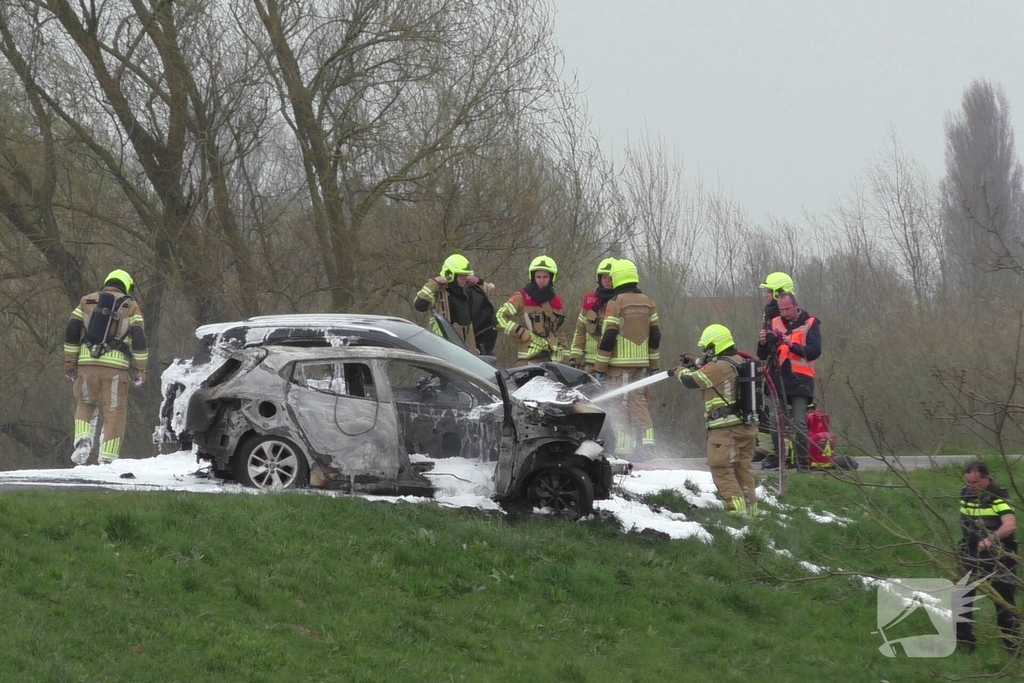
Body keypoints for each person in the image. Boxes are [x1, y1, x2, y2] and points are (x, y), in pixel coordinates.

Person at [63, 269, 148, 465]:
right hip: (116, 368)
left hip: (86, 364)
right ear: (127, 286)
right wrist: (140, 368)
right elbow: (140, 339)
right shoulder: (131, 305)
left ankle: (83, 440)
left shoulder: (87, 300)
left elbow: (72, 330)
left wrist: (70, 360)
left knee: (85, 403)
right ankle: (107, 459)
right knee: (114, 410)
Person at [671, 324, 757, 515]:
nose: (706, 352)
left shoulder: (719, 367)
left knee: (721, 468)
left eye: (707, 348)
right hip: (745, 427)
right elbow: (708, 371)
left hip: (725, 429)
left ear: (715, 346)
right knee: (742, 469)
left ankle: (736, 511)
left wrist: (679, 371)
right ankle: (751, 512)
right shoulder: (738, 360)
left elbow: (692, 381)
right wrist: (695, 361)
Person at [593, 259, 660, 456]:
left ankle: (624, 450)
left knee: (619, 407)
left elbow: (609, 335)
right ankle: (648, 444)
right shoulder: (648, 302)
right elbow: (656, 335)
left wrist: (600, 368)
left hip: (618, 366)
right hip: (641, 366)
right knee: (638, 403)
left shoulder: (615, 303)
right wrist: (653, 365)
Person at [957, 460, 1020, 654]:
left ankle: (1014, 646)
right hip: (970, 552)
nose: (971, 487)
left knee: (1003, 599)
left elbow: (1010, 525)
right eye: (968, 482)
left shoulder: (998, 494)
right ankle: (965, 644)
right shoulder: (965, 494)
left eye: (975, 483)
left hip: (1000, 554)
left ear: (986, 477)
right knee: (961, 596)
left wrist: (990, 539)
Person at [757, 292, 820, 471]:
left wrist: (791, 345)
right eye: (781, 309)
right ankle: (780, 460)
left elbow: (815, 351)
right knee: (776, 421)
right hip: (776, 378)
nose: (784, 312)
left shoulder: (811, 323)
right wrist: (762, 343)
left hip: (800, 380)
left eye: (787, 309)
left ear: (795, 305)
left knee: (798, 422)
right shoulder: (774, 322)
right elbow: (762, 355)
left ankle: (803, 464)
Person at [413, 253, 497, 355]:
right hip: (444, 346)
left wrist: (478, 281)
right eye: (462, 275)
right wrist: (434, 283)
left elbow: (489, 291)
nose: (465, 278)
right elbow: (419, 305)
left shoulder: (466, 290)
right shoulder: (439, 293)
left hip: (467, 347)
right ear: (450, 274)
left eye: (466, 275)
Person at [496, 255, 569, 366]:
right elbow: (499, 317)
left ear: (551, 278)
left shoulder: (556, 301)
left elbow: (559, 331)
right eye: (538, 277)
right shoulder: (522, 297)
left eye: (545, 277)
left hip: (553, 359)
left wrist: (566, 358)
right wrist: (521, 332)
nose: (541, 280)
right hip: (529, 358)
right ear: (533, 277)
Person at [568, 257, 617, 373]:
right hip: (590, 364)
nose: (607, 280)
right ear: (599, 279)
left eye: (611, 277)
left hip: (613, 365)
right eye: (604, 277)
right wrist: (575, 360)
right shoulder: (589, 301)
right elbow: (580, 332)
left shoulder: (621, 301)